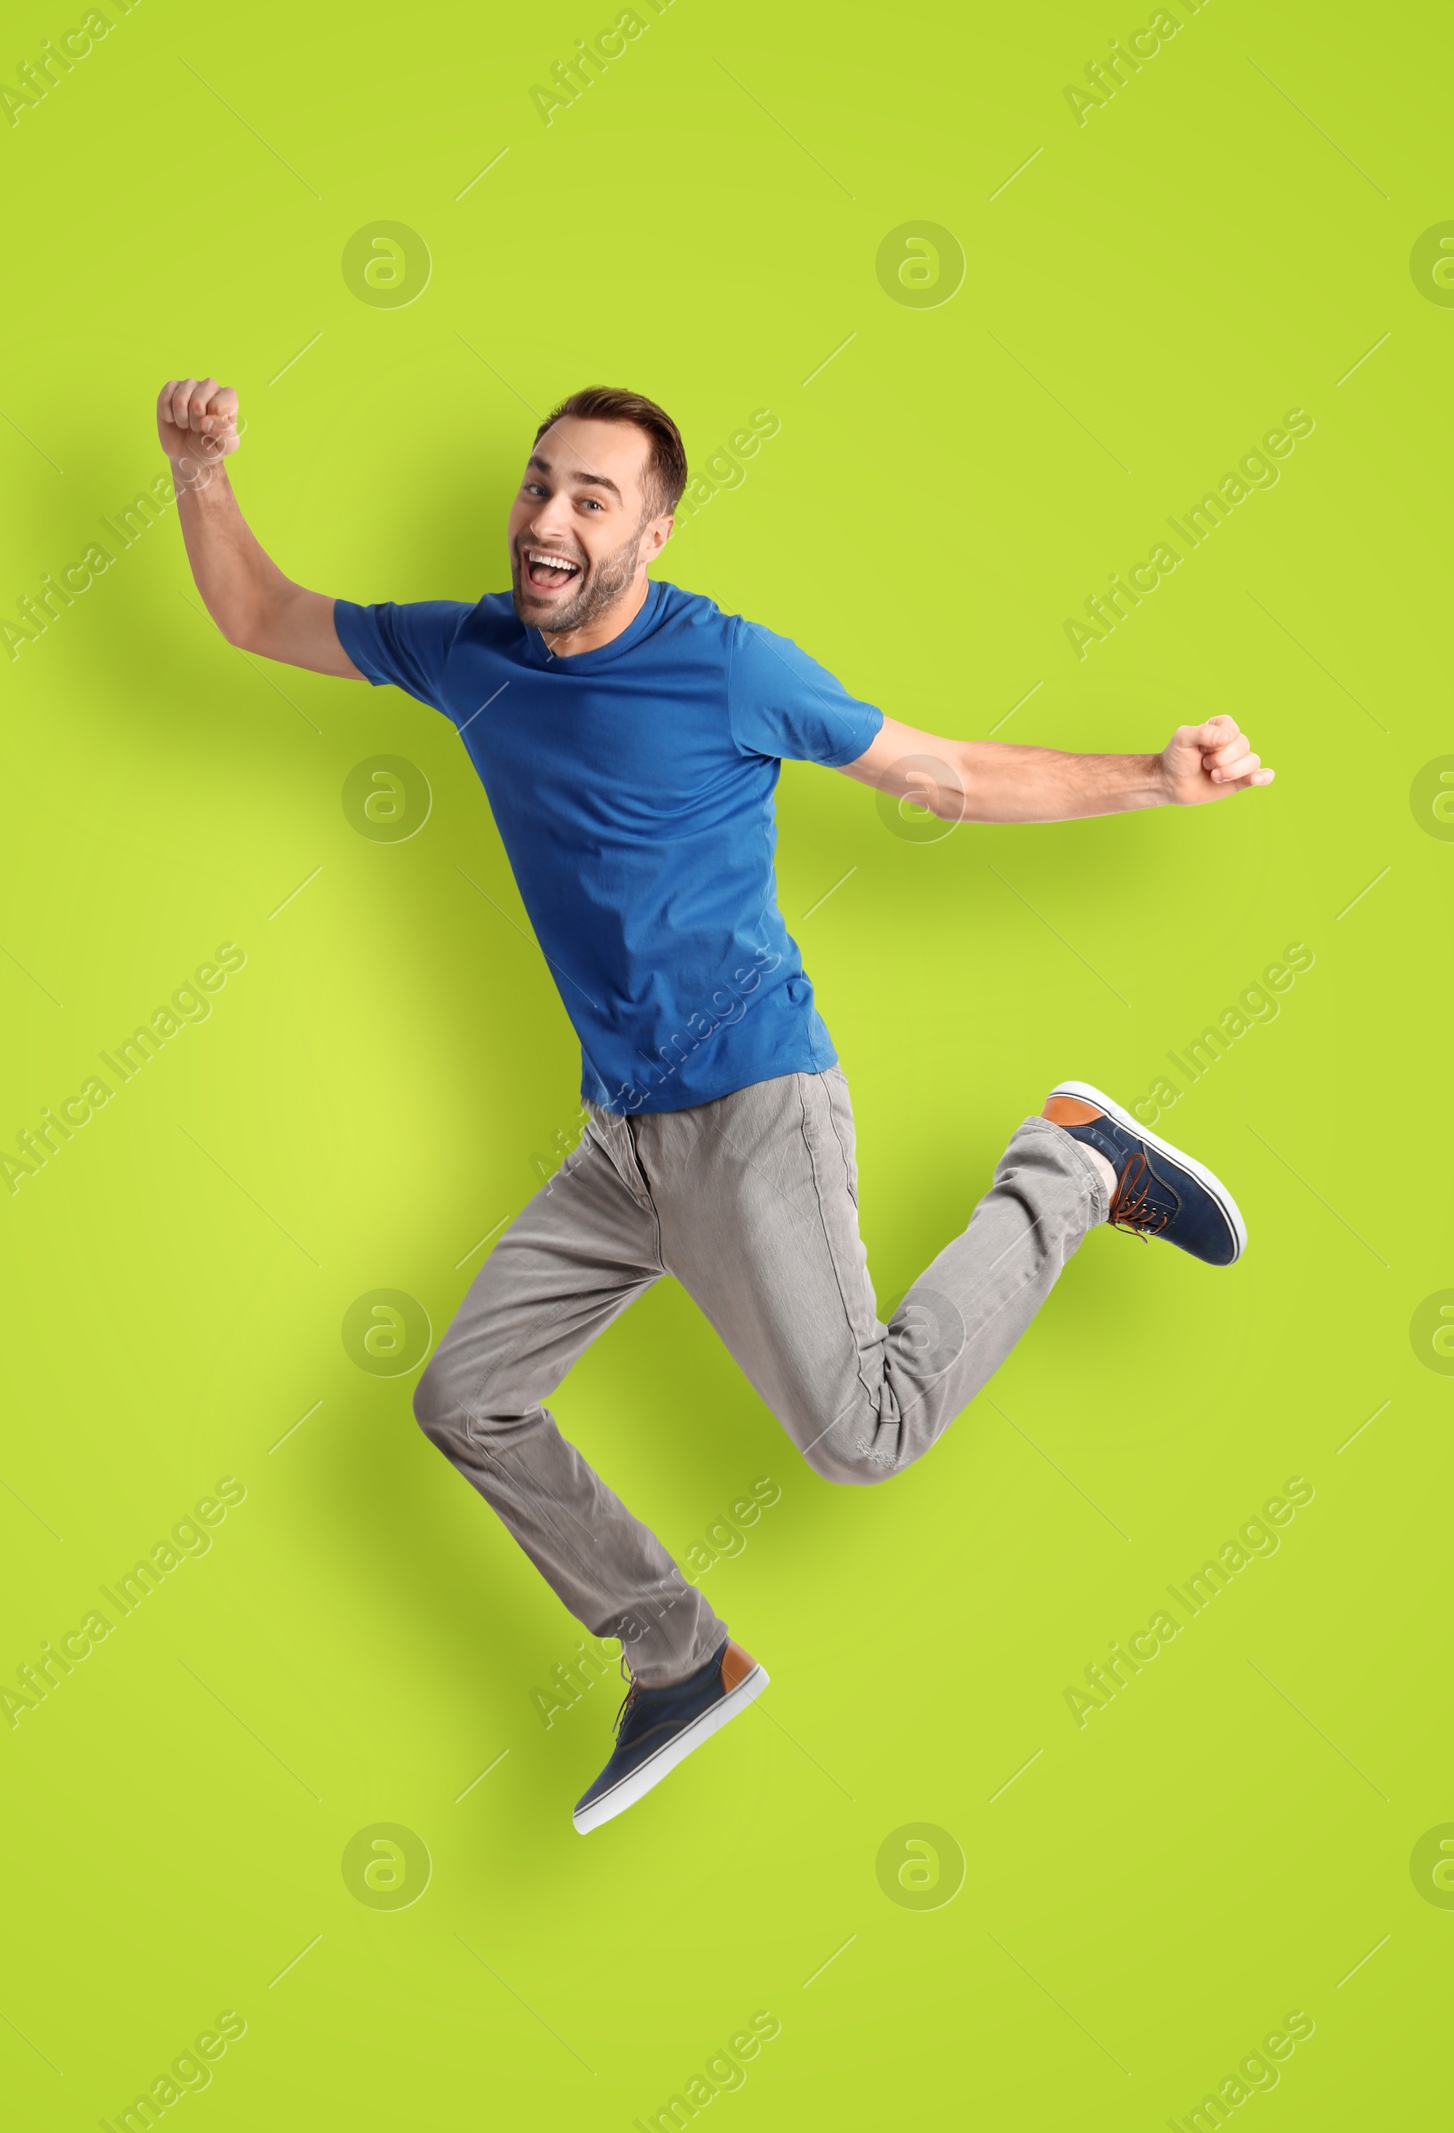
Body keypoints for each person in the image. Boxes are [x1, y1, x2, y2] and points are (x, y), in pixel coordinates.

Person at [158, 377, 1274, 1835]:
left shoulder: (728, 668)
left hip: (754, 1105)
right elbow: (259, 615)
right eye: (538, 483)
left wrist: (1151, 778)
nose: (548, 517)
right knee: (466, 1396)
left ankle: (1068, 1162)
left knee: (862, 1432)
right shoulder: (469, 652)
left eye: (590, 497)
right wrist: (197, 475)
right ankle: (678, 1655)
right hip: (621, 1140)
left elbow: (943, 772)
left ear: (653, 534)